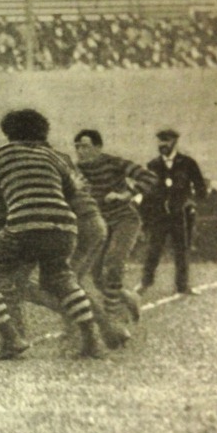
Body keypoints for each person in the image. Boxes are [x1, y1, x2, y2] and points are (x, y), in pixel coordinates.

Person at [0, 110, 104, 360]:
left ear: (8, 132)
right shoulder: (52, 156)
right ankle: (92, 340)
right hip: (64, 229)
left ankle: (12, 338)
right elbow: (71, 191)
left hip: (23, 226)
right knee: (61, 279)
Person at [74, 129, 157, 320]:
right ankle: (129, 298)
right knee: (97, 276)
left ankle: (114, 314)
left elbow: (149, 177)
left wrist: (126, 194)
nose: (80, 151)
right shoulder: (78, 170)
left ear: (98, 147)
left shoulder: (114, 162)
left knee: (114, 261)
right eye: (77, 147)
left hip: (124, 220)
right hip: (101, 224)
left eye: (85, 146)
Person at [138, 129, 207, 296]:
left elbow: (200, 188)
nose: (162, 145)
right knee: (154, 249)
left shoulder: (188, 163)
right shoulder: (152, 165)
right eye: (160, 141)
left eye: (166, 141)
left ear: (175, 142)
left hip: (180, 215)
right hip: (159, 215)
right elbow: (147, 192)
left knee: (181, 250)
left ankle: (182, 286)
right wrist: (145, 217)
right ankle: (145, 283)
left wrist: (192, 203)